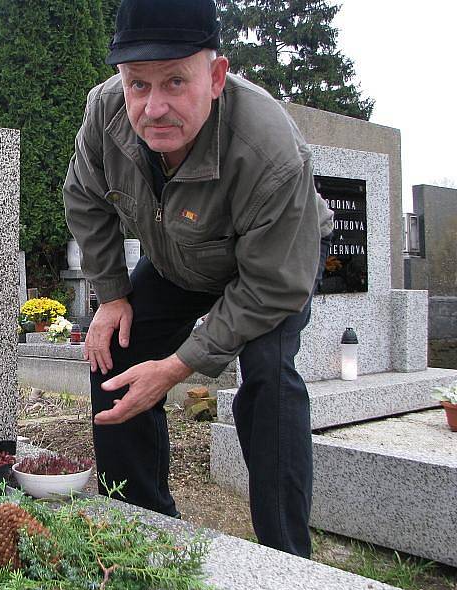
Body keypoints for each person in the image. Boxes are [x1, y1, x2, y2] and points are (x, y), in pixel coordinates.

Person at [63, 0, 334, 558]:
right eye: (138, 84)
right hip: (179, 260)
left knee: (268, 379)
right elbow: (84, 199)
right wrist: (112, 295)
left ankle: (286, 559)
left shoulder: (271, 149)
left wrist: (181, 365)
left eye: (175, 81)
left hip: (268, 266)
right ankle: (140, 527)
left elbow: (270, 288)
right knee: (115, 354)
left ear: (215, 76)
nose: (154, 107)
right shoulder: (104, 113)